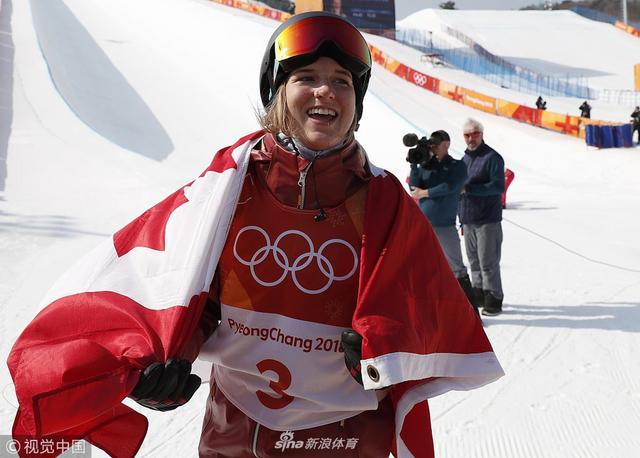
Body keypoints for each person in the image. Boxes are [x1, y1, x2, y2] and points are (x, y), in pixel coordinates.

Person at [8, 12, 503, 458]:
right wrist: (162, 364)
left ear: (357, 101)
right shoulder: (227, 187)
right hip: (236, 428)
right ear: (276, 93)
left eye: (341, 82)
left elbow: (436, 312)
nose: (325, 91)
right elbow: (185, 288)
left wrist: (390, 342)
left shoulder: (383, 200)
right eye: (305, 77)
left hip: (346, 434)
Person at [408, 130, 478, 316]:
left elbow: (451, 186)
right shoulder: (425, 165)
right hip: (423, 224)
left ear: (446, 144)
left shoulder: (457, 166)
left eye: (435, 144)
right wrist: (414, 164)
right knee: (421, 267)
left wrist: (425, 193)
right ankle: (425, 312)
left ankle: (472, 314)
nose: (432, 148)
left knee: (457, 268)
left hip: (445, 225)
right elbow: (413, 186)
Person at [459, 118, 506, 316]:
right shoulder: (464, 159)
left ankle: (493, 297)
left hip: (488, 219)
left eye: (475, 134)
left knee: (488, 261)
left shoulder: (492, 157)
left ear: (481, 135)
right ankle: (478, 293)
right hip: (468, 218)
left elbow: (497, 186)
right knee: (474, 262)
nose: (471, 139)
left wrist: (469, 188)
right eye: (467, 135)